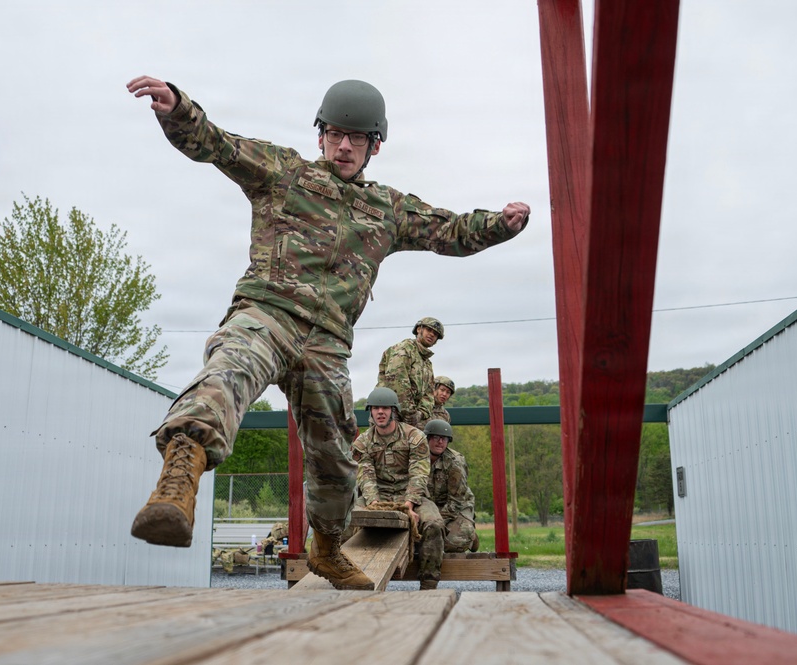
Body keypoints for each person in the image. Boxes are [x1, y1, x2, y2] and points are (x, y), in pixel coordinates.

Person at [125, 74, 530, 592]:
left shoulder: (386, 208)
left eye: (356, 139)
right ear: (320, 135)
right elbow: (218, 145)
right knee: (228, 369)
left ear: (373, 146)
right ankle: (179, 477)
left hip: (329, 345)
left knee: (337, 461)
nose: (343, 146)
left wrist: (501, 223)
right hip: (269, 312)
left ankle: (327, 548)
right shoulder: (284, 172)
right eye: (336, 134)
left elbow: (448, 230)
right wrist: (177, 108)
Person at [354, 387, 445, 589]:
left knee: (434, 524)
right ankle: (353, 578)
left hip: (411, 495)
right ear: (370, 411)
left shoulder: (415, 437)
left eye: (385, 408)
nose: (380, 412)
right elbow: (365, 476)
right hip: (379, 496)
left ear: (393, 411)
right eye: (376, 408)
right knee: (348, 522)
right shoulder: (363, 442)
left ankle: (428, 584)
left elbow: (419, 473)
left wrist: (409, 506)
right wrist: (375, 506)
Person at [377, 317, 443, 428]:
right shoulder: (403, 350)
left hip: (413, 418)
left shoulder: (427, 363)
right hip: (389, 413)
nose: (432, 335)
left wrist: (420, 414)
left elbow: (429, 394)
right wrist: (409, 413)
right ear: (419, 330)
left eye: (435, 334)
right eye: (429, 330)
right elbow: (397, 384)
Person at [424, 419, 479, 553]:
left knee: (454, 543)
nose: (440, 442)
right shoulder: (416, 458)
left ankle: (471, 536)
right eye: (436, 437)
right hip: (428, 507)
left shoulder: (455, 463)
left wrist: (436, 524)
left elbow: (456, 501)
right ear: (427, 438)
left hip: (456, 507)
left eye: (444, 438)